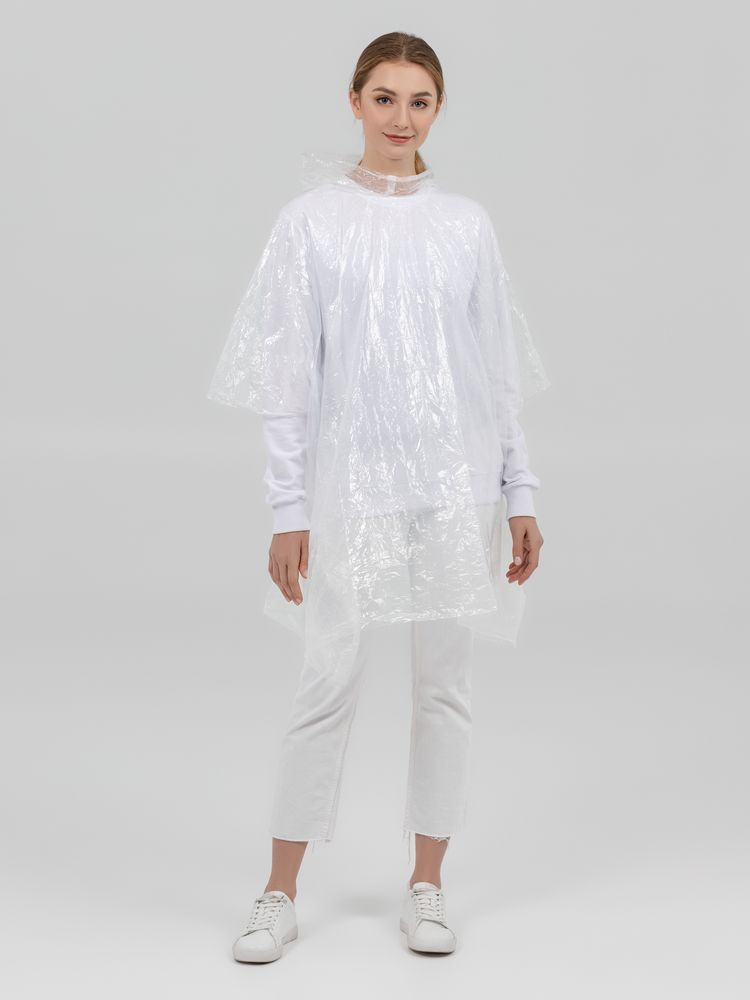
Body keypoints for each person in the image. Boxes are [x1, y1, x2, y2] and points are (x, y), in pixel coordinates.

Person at [206, 31, 550, 962]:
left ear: (439, 110)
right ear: (355, 101)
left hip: (455, 484)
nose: (403, 118)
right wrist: (289, 508)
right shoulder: (311, 223)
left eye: (420, 101)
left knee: (445, 688)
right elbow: (289, 377)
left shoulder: (465, 225)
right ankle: (278, 891)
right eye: (386, 98)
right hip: (350, 487)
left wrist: (519, 489)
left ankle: (427, 884)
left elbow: (496, 372)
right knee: (326, 682)